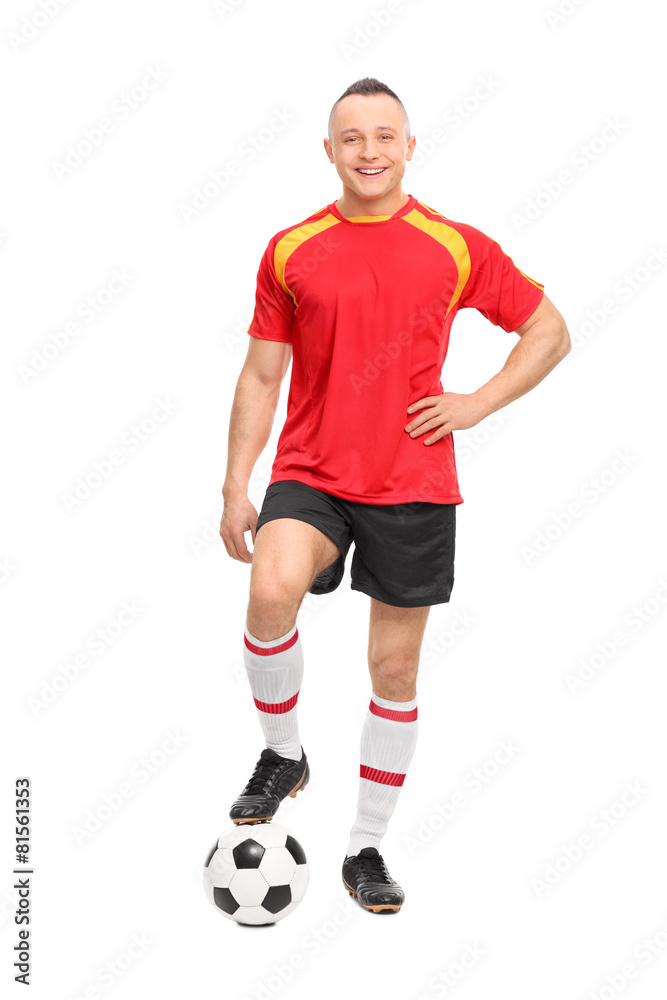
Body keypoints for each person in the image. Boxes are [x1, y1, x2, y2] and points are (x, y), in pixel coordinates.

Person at [220, 77, 570, 914]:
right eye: (352, 138)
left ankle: (365, 847)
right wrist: (237, 481)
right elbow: (262, 373)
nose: (369, 151)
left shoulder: (452, 245)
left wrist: (476, 402)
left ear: (411, 147)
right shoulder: (290, 248)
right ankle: (283, 754)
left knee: (393, 667)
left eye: (385, 136)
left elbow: (549, 329)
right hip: (310, 471)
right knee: (269, 589)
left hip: (412, 482)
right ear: (329, 151)